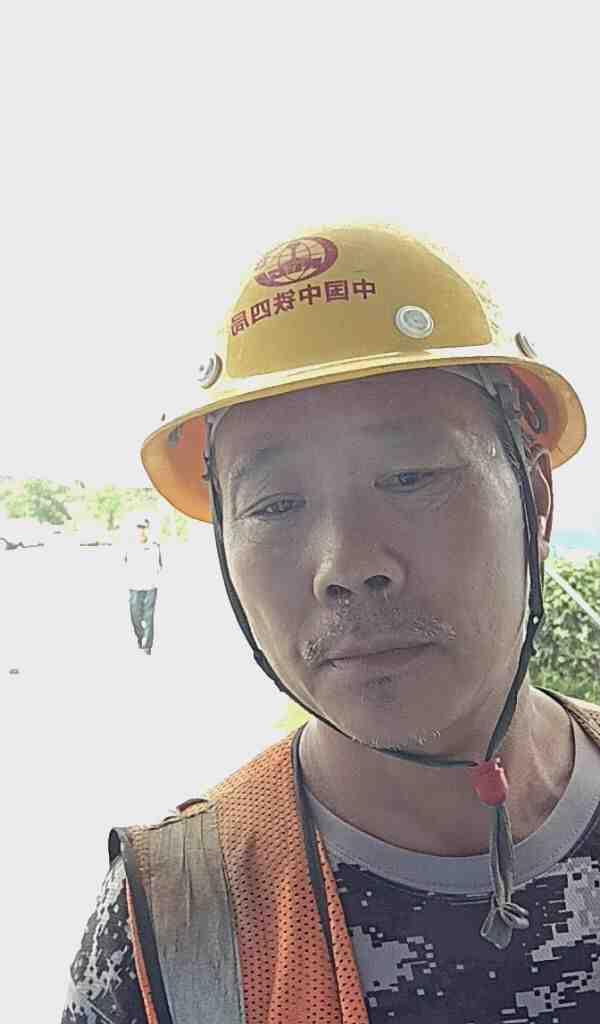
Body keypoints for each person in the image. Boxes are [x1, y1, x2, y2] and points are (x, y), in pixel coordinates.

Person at [62, 225, 600, 1024]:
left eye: (410, 476)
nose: (345, 565)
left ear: (538, 501)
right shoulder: (168, 924)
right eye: (275, 505)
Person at [123, 517, 162, 655]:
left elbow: (160, 565)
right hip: (134, 586)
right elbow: (123, 563)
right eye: (139, 527)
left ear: (147, 529)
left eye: (144, 527)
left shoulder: (154, 545)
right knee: (135, 616)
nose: (141, 530)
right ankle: (140, 636)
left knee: (149, 616)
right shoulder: (129, 545)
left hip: (151, 586)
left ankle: (147, 645)